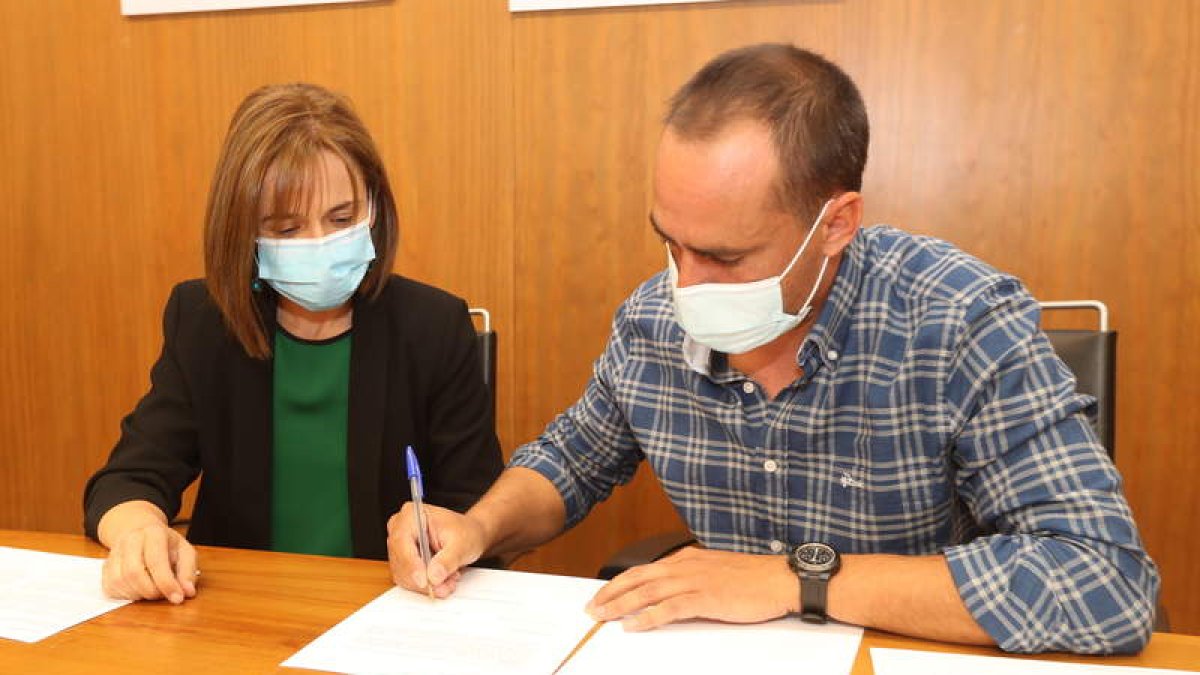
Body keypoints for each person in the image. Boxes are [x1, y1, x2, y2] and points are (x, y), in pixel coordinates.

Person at [386, 44, 1159, 654]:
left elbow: (1107, 580)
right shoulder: (652, 321)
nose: (686, 283)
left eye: (723, 256)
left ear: (836, 223)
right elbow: (570, 461)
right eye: (670, 243)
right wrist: (478, 527)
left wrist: (798, 579)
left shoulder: (958, 320)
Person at [84, 83, 503, 605]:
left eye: (342, 219)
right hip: (239, 610)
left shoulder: (433, 325)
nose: (318, 244)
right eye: (286, 227)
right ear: (242, 233)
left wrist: (446, 540)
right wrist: (138, 531)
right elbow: (130, 477)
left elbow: (480, 510)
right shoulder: (203, 321)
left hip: (388, 610)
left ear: (375, 207)